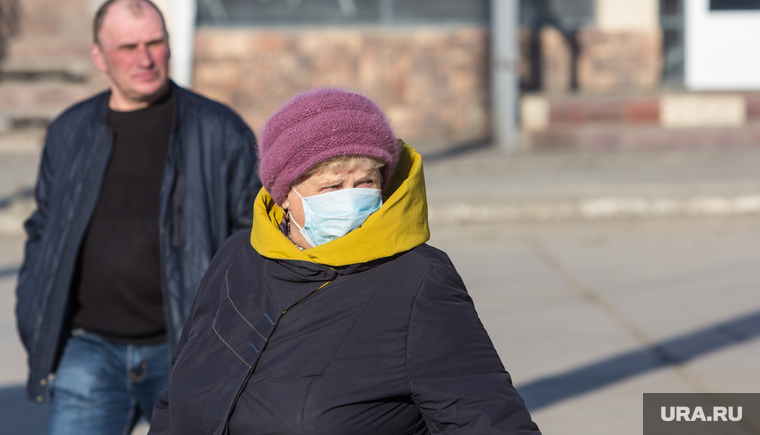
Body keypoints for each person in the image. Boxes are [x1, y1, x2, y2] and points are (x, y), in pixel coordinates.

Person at [149, 88, 541, 434]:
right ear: (285, 194)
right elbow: (175, 401)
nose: (350, 198)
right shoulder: (238, 258)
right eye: (332, 186)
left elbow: (487, 417)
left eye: (365, 182)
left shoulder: (418, 281)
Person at [15, 0, 262, 435]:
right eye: (128, 47)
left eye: (155, 42)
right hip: (87, 349)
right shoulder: (69, 130)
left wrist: (231, 338)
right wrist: (34, 320)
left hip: (190, 348)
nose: (145, 58)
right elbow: (42, 228)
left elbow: (254, 239)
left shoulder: (219, 130)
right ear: (99, 56)